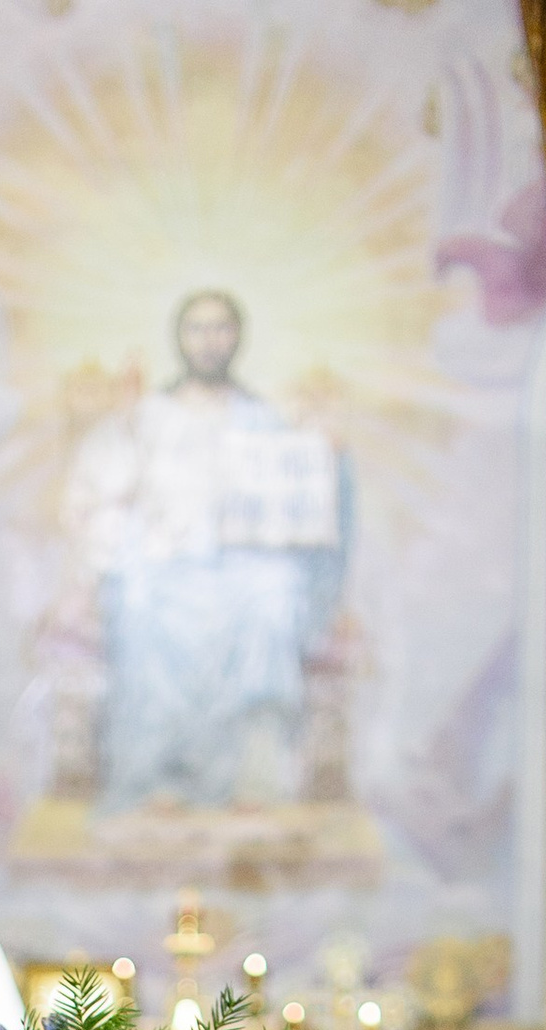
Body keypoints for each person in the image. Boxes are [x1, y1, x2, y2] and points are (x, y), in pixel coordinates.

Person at [58, 289, 345, 811]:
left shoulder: (262, 418)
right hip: (164, 565)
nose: (209, 341)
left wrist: (330, 459)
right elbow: (98, 492)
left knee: (274, 598)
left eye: (221, 328)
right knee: (142, 607)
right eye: (197, 328)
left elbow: (300, 496)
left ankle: (254, 779)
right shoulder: (146, 416)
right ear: (179, 338)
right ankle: (158, 778)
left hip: (241, 565)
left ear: (238, 338)